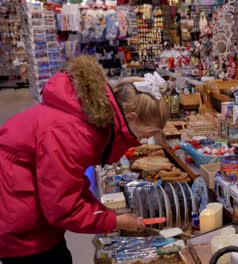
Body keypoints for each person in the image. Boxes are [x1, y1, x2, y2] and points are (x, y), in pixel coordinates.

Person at [0, 55, 168, 263]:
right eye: (145, 134)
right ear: (131, 118)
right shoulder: (72, 133)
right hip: (22, 230)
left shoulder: (86, 120)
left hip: (27, 213)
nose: (143, 141)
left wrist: (106, 215)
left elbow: (69, 184)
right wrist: (114, 221)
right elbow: (62, 208)